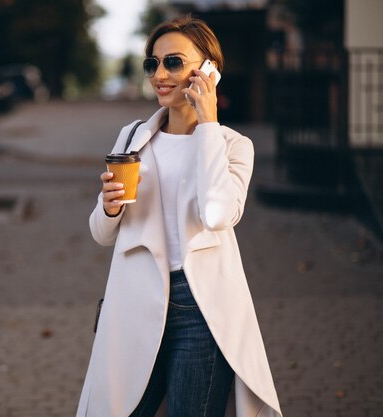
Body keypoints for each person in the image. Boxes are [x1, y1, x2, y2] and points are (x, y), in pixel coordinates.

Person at [76, 16, 283, 417]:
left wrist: (207, 123)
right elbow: (102, 234)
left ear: (209, 70)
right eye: (152, 64)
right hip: (134, 302)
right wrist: (110, 206)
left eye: (173, 62)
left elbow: (219, 214)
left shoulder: (233, 146)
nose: (159, 75)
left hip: (202, 313)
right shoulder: (132, 137)